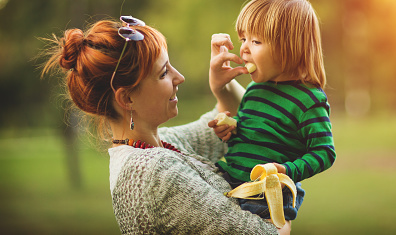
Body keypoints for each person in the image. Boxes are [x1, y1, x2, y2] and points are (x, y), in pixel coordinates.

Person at [41, 16, 291, 234]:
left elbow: (235, 123)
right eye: (163, 73)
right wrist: (284, 192)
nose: (179, 77)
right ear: (127, 98)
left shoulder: (158, 145)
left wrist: (221, 85)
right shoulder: (154, 173)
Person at [209, 0, 336, 223]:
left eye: (256, 41)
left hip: (268, 194)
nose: (245, 48)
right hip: (232, 177)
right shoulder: (255, 91)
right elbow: (255, 134)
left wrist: (287, 170)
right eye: (243, 39)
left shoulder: (309, 100)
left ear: (289, 47)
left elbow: (325, 153)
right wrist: (231, 129)